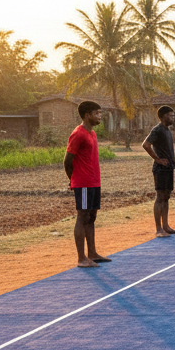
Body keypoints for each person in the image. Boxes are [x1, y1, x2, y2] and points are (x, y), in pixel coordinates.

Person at [63, 100, 110, 268]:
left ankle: (92, 253)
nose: (100, 116)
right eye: (97, 113)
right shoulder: (78, 134)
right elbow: (67, 161)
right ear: (87, 115)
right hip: (83, 183)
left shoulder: (92, 134)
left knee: (92, 217)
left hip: (94, 182)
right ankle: (81, 258)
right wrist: (74, 180)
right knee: (82, 217)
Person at [142, 105, 175, 238]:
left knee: (166, 197)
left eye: (173, 115)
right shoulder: (157, 130)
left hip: (169, 168)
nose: (172, 118)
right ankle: (158, 229)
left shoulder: (167, 131)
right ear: (163, 117)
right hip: (160, 169)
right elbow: (146, 145)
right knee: (160, 197)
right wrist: (157, 159)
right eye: (170, 115)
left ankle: (166, 226)